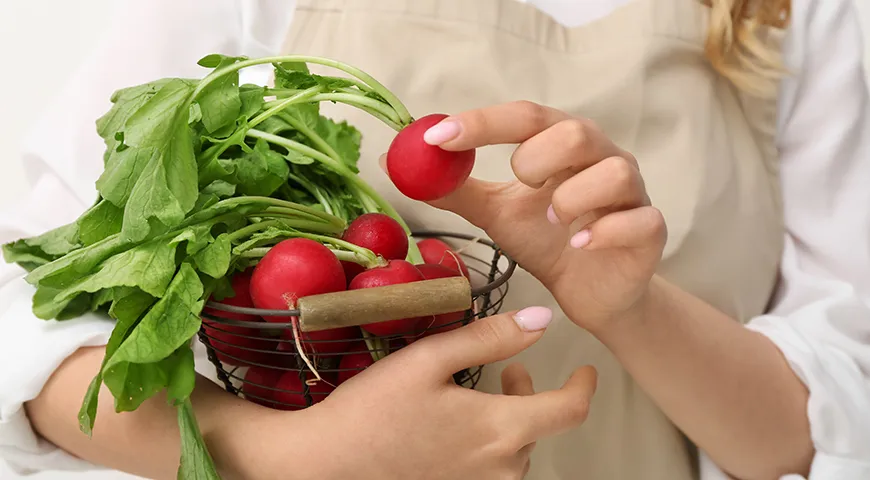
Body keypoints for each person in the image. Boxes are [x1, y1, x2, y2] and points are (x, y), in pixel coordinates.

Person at [1, 0, 869, 478]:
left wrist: (634, 308)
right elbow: (27, 322)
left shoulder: (798, 14)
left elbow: (827, 426)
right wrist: (293, 455)